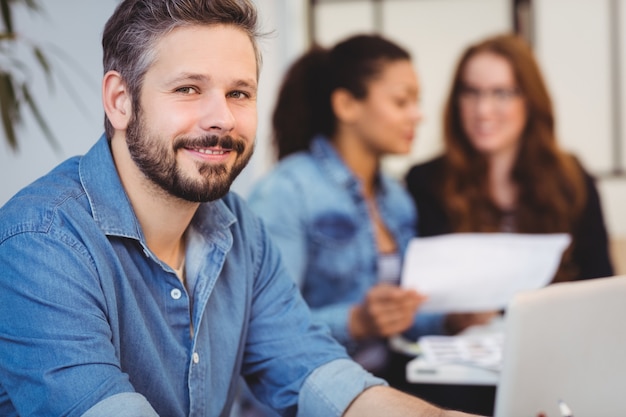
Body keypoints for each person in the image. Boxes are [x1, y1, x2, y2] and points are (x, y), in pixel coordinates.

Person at [0, 1, 483, 416]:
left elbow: (315, 371)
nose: (222, 118)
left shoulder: (238, 227)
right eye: (189, 89)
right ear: (120, 101)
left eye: (239, 93)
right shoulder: (41, 242)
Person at [246, 34, 494, 393]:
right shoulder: (287, 190)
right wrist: (356, 321)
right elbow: (265, 329)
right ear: (347, 105)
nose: (417, 115)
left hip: (379, 389)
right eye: (401, 101)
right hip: (303, 397)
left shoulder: (396, 197)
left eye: (417, 101)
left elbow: (403, 319)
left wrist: (450, 319)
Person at [405, 33, 614, 283]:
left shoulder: (571, 180)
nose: (483, 110)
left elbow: (600, 282)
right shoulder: (426, 182)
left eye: (501, 93)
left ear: (530, 100)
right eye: (471, 92)